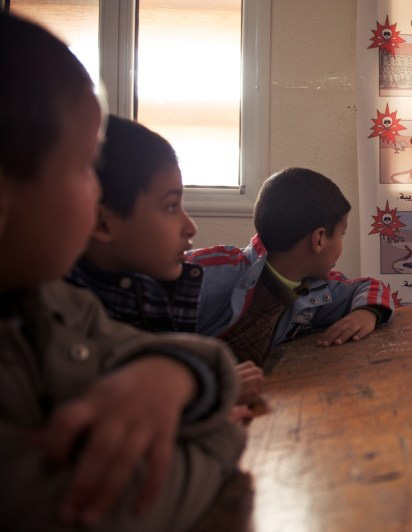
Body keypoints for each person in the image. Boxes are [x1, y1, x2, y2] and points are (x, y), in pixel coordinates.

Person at [0, 14, 243, 531]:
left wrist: (168, 374)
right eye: (86, 165)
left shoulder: (54, 305)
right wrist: (219, 433)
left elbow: (208, 360)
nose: (95, 188)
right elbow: (114, 508)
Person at [65, 115, 265, 414]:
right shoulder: (66, 315)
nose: (190, 227)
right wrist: (210, 399)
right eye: (171, 206)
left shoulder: (148, 291)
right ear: (104, 223)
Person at [188, 168, 395, 367]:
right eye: (343, 234)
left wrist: (367, 312)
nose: (342, 242)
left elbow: (368, 286)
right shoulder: (210, 272)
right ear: (319, 239)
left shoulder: (316, 288)